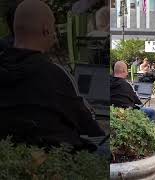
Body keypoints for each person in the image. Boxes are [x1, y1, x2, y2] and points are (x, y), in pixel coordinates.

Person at [0, 0, 106, 154]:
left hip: (11, 160)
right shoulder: (56, 75)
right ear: (46, 29)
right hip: (58, 161)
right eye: (54, 25)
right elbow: (89, 127)